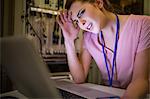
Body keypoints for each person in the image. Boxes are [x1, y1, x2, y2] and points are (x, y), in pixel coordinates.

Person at [56, 0, 150, 98]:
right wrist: (69, 40)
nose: (82, 23)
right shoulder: (88, 38)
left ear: (98, 3)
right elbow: (79, 78)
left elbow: (140, 81)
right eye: (76, 21)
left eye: (81, 13)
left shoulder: (143, 24)